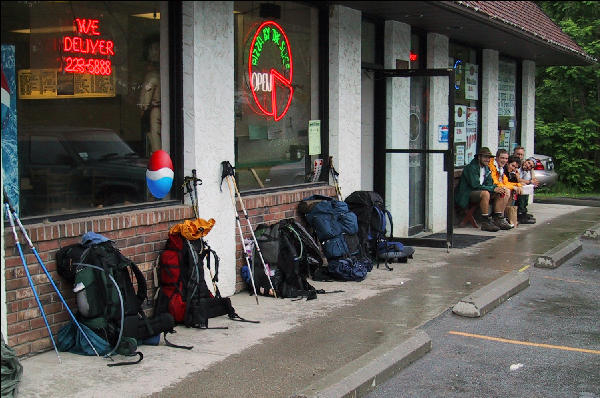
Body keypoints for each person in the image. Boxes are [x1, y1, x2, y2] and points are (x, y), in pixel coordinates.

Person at [455, 147, 512, 232]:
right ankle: (485, 221)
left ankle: (498, 218)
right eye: (485, 157)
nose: (487, 159)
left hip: (481, 191)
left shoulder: (486, 168)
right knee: (485, 193)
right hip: (467, 194)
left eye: (489, 157)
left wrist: (495, 188)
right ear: (479, 157)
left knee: (504, 191)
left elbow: (490, 183)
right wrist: (492, 189)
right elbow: (475, 185)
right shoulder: (471, 168)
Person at [138, 35, 161, 155]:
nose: (157, 52)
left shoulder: (152, 76)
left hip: (155, 112)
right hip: (157, 112)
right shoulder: (156, 75)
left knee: (156, 141)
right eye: (154, 49)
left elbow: (144, 103)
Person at [512, 146, 537, 224]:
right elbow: (519, 179)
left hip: (515, 185)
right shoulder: (514, 164)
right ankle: (520, 214)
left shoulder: (524, 166)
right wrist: (530, 182)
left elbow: (533, 179)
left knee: (527, 188)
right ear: (514, 154)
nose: (519, 156)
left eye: (521, 155)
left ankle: (523, 211)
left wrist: (531, 169)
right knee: (523, 188)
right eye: (518, 154)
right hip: (510, 184)